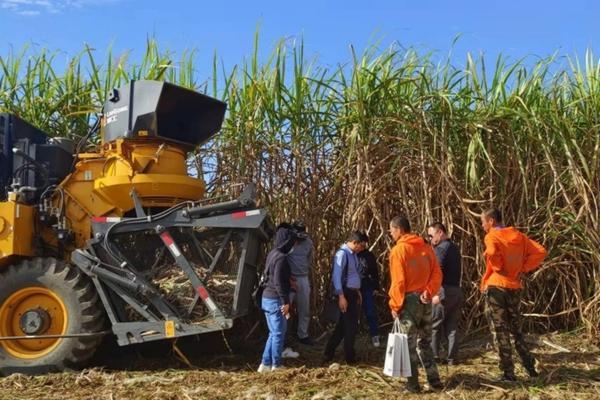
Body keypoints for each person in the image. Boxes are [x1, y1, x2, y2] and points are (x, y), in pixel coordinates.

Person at [480, 208, 547, 381]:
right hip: (514, 286)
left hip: (496, 286)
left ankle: (508, 373)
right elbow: (541, 251)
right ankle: (530, 368)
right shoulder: (520, 237)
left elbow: (493, 253)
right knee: (516, 330)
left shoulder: (491, 236)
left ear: (492, 221)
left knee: (500, 331)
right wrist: (523, 267)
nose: (483, 226)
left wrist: (496, 265)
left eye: (483, 222)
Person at [388, 215, 443, 393]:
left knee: (408, 345)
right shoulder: (426, 248)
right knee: (425, 343)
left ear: (399, 230)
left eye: (392, 230)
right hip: (425, 301)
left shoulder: (398, 251)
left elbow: (399, 282)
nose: (391, 234)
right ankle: (435, 381)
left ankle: (413, 386)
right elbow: (437, 274)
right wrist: (428, 291)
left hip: (408, 301)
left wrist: (395, 306)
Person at [258, 225, 297, 372]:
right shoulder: (281, 258)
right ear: (286, 242)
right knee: (279, 333)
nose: (293, 246)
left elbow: (275, 276)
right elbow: (278, 282)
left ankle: (264, 364)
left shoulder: (272, 253)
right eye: (292, 243)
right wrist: (285, 302)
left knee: (273, 333)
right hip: (275, 299)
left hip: (267, 298)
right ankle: (276, 364)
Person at [323, 231, 366, 364]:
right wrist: (341, 296)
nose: (362, 249)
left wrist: (357, 291)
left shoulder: (352, 255)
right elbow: (337, 276)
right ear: (355, 243)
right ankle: (350, 357)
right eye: (361, 246)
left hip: (352, 293)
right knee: (351, 326)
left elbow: (353, 275)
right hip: (346, 294)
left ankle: (328, 352)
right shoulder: (342, 254)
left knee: (342, 327)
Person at [427, 222, 463, 365]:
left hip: (443, 290)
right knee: (452, 325)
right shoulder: (454, 248)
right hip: (456, 290)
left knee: (435, 325)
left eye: (431, 235)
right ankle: (452, 358)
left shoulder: (440, 249)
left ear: (440, 233)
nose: (430, 239)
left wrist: (435, 292)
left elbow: (438, 271)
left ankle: (434, 356)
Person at [287, 220, 315, 345]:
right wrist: (287, 276)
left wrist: (304, 270)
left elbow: (310, 258)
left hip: (303, 278)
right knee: (285, 308)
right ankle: (284, 335)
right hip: (289, 279)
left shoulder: (308, 242)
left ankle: (303, 335)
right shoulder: (287, 240)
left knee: (304, 308)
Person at [356, 231, 381, 347]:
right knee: (353, 312)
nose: (363, 246)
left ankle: (375, 335)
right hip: (353, 286)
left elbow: (374, 272)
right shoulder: (350, 254)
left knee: (370, 311)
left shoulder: (369, 256)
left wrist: (376, 287)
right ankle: (352, 335)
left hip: (366, 284)